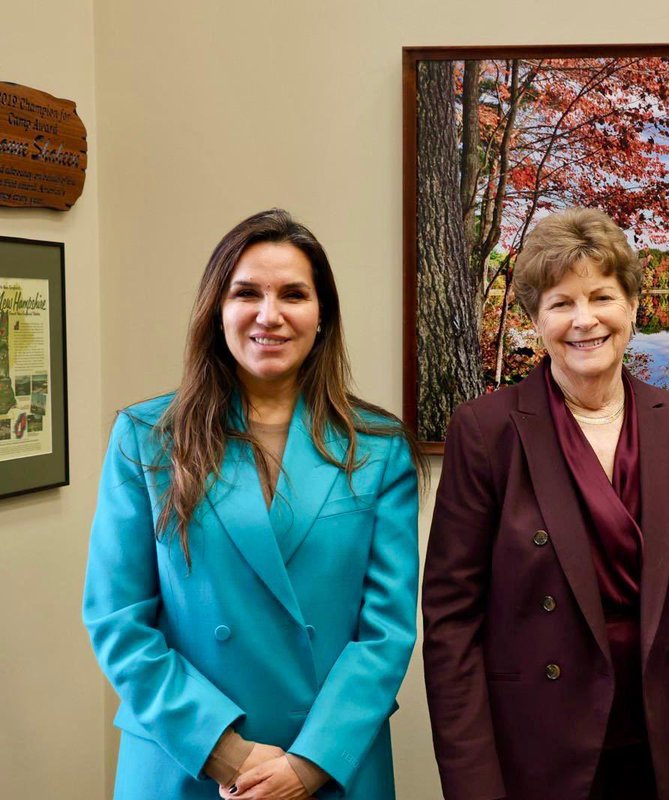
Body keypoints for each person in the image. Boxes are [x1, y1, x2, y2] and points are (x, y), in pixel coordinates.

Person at [82, 209, 424, 800]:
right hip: (185, 757)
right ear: (217, 311)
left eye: (294, 294)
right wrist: (225, 753)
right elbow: (117, 618)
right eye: (247, 293)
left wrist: (308, 765)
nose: (271, 315)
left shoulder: (379, 448)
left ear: (323, 316)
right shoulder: (146, 438)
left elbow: (385, 633)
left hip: (327, 762)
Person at [422, 207, 669, 800]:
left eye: (602, 297)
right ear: (534, 320)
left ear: (633, 307)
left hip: (662, 747)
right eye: (561, 303)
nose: (584, 320)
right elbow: (451, 626)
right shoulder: (486, 430)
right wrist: (473, 786)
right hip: (537, 753)